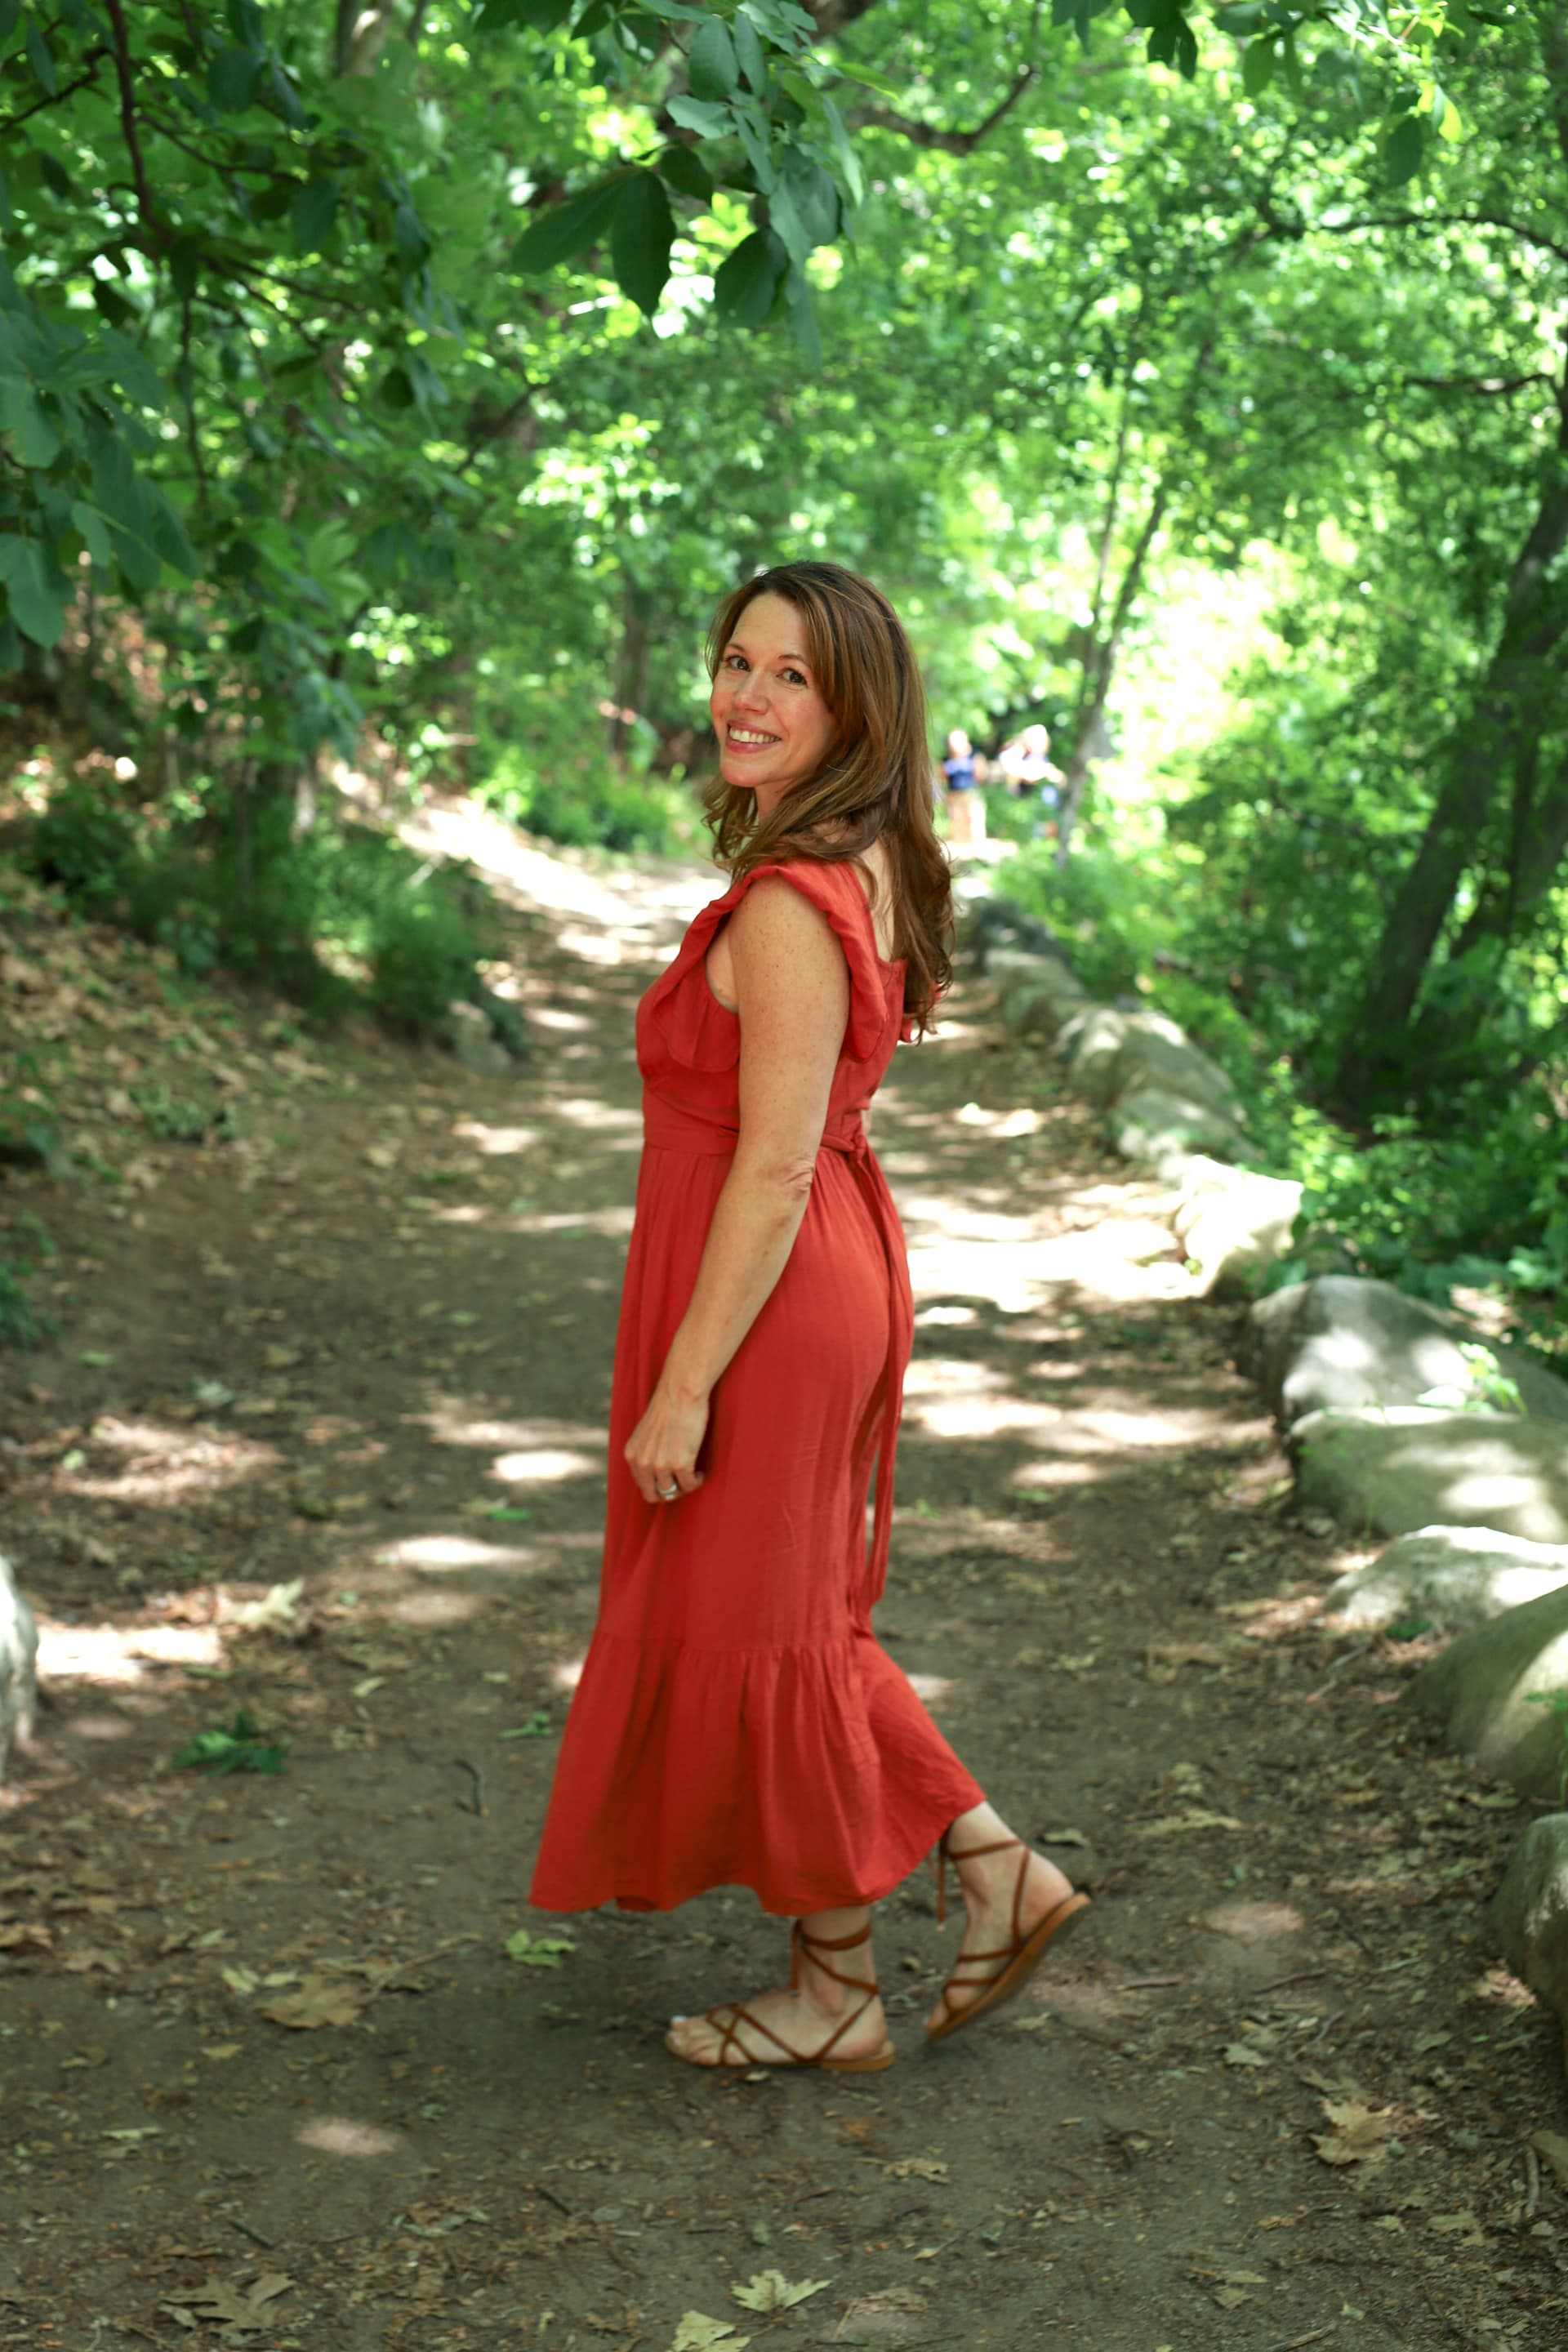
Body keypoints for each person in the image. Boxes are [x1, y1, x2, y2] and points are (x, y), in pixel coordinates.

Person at [528, 561, 1088, 2071]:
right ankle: (992, 1872)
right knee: (791, 1624)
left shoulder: (788, 901)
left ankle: (837, 1988)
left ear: (852, 710)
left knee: (769, 1629)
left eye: (789, 676)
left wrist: (684, 1381)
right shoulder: (865, 860)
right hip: (814, 1268)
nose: (745, 696)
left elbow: (769, 1168)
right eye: (735, 662)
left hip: (768, 1289)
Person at [939, 725, 986, 853]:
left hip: (971, 793)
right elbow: (941, 777)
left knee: (974, 821)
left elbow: (981, 775)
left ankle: (976, 852)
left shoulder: (974, 755)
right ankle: (961, 853)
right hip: (954, 794)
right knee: (956, 823)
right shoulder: (946, 759)